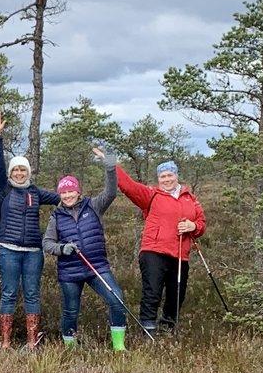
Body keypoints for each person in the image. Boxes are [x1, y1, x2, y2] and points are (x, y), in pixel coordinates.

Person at [94, 144, 207, 338]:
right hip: (153, 251)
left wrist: (193, 226)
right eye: (162, 176)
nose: (166, 179)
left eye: (170, 175)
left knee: (176, 294)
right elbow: (128, 186)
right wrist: (111, 164)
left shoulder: (191, 198)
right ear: (158, 179)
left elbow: (201, 223)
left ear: (176, 176)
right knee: (152, 292)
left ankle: (168, 327)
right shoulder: (151, 195)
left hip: (181, 254)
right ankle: (148, 329)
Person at [0, 112, 59, 350]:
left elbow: (66, 197)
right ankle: (5, 343)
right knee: (8, 294)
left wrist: (82, 197)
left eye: (23, 170)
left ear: (28, 172)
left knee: (32, 294)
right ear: (11, 173)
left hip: (33, 252)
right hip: (8, 250)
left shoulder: (37, 192)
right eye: (16, 170)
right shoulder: (3, 189)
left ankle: (31, 343)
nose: (19, 173)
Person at [44, 158, 127, 351]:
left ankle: (119, 346)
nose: (67, 196)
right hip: (69, 272)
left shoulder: (94, 206)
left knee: (117, 300)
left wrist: (109, 168)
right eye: (63, 193)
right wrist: (62, 248)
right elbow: (47, 243)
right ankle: (71, 349)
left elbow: (111, 192)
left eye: (70, 191)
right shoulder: (56, 216)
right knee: (70, 311)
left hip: (97, 267)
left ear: (78, 191)